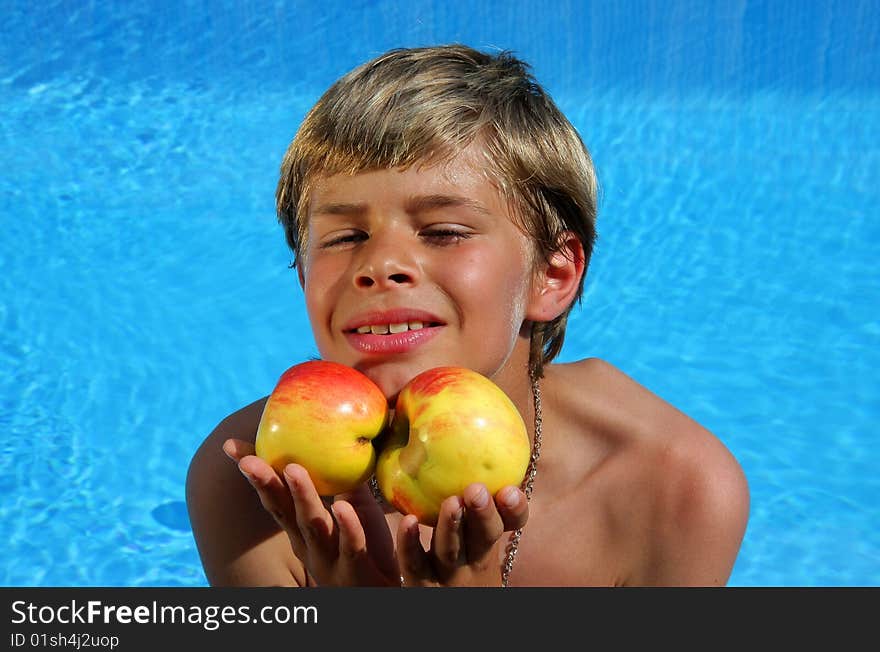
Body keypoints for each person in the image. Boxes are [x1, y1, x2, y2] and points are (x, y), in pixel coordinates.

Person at [186, 44, 749, 587]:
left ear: (551, 277)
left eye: (444, 232)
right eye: (346, 236)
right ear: (306, 280)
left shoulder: (669, 488)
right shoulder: (252, 488)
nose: (380, 265)